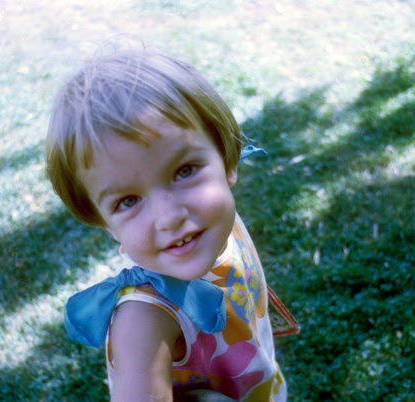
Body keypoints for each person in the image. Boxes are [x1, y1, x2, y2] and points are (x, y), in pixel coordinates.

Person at [46, 49, 298, 401]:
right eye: (128, 201)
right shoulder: (144, 320)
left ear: (226, 157)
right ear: (105, 223)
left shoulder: (218, 225)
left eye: (185, 171)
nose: (169, 217)